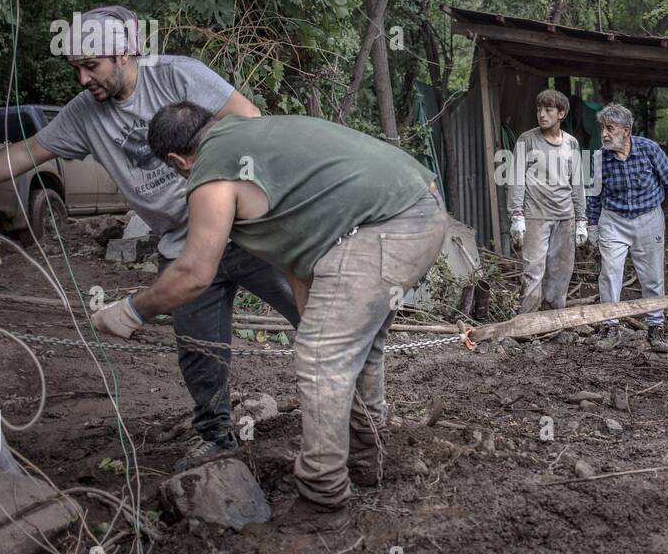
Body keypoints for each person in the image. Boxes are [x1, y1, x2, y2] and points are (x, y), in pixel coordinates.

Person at [0, 6, 299, 470]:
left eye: (91, 66)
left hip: (246, 227)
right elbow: (27, 152)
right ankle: (216, 436)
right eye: (75, 67)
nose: (82, 79)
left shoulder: (178, 76)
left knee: (309, 311)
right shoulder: (81, 115)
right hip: (181, 244)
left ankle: (354, 408)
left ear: (127, 54)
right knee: (198, 350)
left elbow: (250, 118)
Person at [92, 102, 447, 518]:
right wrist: (310, 311)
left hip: (387, 226)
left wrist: (132, 311)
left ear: (177, 160)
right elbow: (297, 247)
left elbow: (193, 273)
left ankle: (322, 496)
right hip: (421, 205)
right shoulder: (253, 134)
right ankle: (368, 456)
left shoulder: (211, 169)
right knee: (358, 348)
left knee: (321, 357)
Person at [585, 103, 668, 353]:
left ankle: (656, 328)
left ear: (626, 131)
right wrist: (591, 224)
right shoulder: (600, 158)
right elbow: (594, 195)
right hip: (614, 220)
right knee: (610, 274)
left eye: (610, 128)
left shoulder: (649, 150)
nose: (604, 134)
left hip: (648, 218)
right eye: (603, 128)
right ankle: (610, 328)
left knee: (652, 276)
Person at [507, 89, 587, 325]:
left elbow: (578, 182)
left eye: (548, 110)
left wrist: (582, 219)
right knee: (533, 271)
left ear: (561, 113)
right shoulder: (527, 139)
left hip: (565, 217)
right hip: (535, 216)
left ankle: (553, 323)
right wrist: (516, 215)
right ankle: (527, 325)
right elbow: (516, 177)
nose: (541, 114)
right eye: (539, 109)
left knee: (560, 274)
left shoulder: (571, 143)